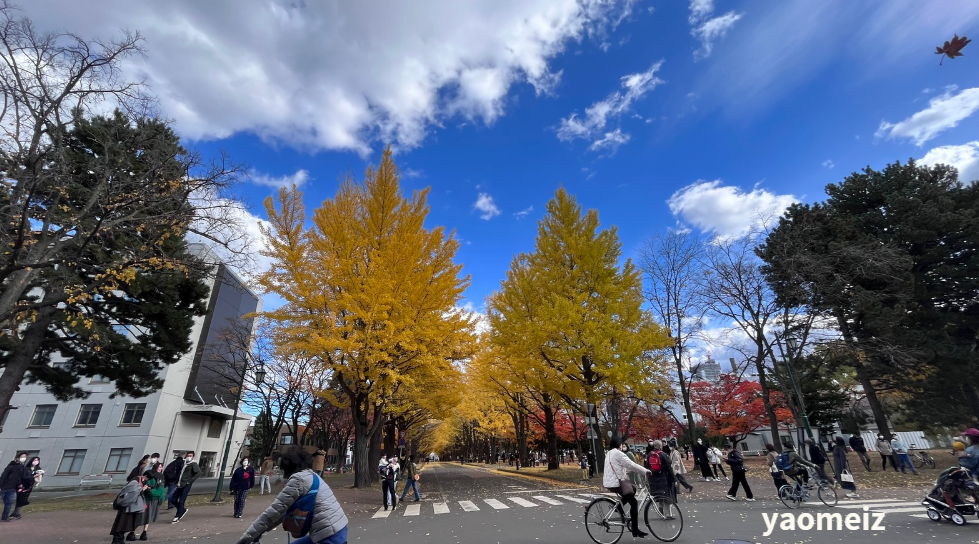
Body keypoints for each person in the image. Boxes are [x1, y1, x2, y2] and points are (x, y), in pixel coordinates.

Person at [235, 447, 347, 544]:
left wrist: (247, 537)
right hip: (337, 529)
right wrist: (259, 532)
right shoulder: (311, 475)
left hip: (328, 535)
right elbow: (281, 512)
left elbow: (273, 511)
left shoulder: (298, 480)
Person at [604, 438, 651, 539]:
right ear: (618, 445)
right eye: (621, 444)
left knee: (633, 489)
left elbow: (621, 466)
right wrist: (645, 471)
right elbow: (631, 464)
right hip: (617, 483)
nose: (622, 446)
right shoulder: (618, 453)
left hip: (610, 482)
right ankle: (635, 529)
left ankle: (618, 508)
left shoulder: (609, 453)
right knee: (634, 503)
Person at [110, 475, 149, 544]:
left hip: (129, 507)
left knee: (125, 525)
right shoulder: (134, 482)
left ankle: (120, 540)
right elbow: (132, 493)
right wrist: (141, 489)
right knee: (122, 524)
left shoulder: (137, 482)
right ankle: (117, 540)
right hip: (126, 507)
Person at [134, 462, 165, 541]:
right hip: (147, 499)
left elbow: (161, 489)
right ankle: (132, 532)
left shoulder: (161, 477)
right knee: (141, 516)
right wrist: (152, 492)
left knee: (148, 517)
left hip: (153, 499)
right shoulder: (151, 475)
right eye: (159, 467)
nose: (160, 468)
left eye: (161, 467)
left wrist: (158, 495)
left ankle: (144, 532)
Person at [171, 451, 201, 523]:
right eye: (188, 455)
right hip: (179, 484)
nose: (189, 457)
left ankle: (178, 516)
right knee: (173, 499)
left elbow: (198, 472)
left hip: (186, 484)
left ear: (193, 457)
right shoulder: (184, 463)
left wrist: (190, 481)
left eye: (190, 456)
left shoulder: (193, 464)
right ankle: (182, 510)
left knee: (181, 500)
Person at [0, 452, 30, 522]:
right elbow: (3, 476)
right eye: (22, 456)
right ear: (17, 457)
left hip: (12, 488)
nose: (24, 458)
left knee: (9, 503)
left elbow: (18, 478)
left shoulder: (21, 467)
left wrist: (19, 484)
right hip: (4, 488)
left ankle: (5, 517)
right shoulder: (11, 466)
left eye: (25, 457)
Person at [11, 456, 42, 520]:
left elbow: (39, 477)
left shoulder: (38, 469)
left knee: (24, 500)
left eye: (37, 460)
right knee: (20, 499)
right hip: (23, 486)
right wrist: (33, 476)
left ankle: (16, 513)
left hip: (30, 486)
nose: (36, 461)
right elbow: (24, 477)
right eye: (35, 460)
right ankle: (16, 513)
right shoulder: (26, 468)